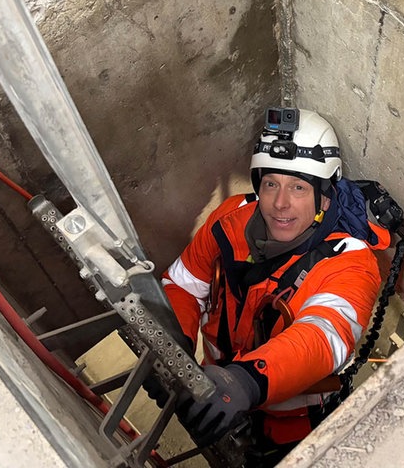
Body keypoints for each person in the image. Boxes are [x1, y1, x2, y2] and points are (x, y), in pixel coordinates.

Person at [152, 108, 391, 466]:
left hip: (290, 429)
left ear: (325, 197)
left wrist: (248, 382)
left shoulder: (350, 262)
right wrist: (173, 348)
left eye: (298, 187)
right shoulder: (230, 219)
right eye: (271, 184)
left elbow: (326, 334)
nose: (280, 204)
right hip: (212, 389)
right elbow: (183, 285)